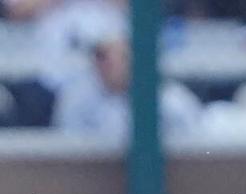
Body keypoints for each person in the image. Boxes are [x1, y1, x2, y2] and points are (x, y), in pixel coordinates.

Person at [53, 35, 203, 140]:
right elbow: (68, 151)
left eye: (114, 56)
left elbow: (192, 149)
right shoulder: (77, 97)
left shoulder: (172, 100)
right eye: (99, 56)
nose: (104, 64)